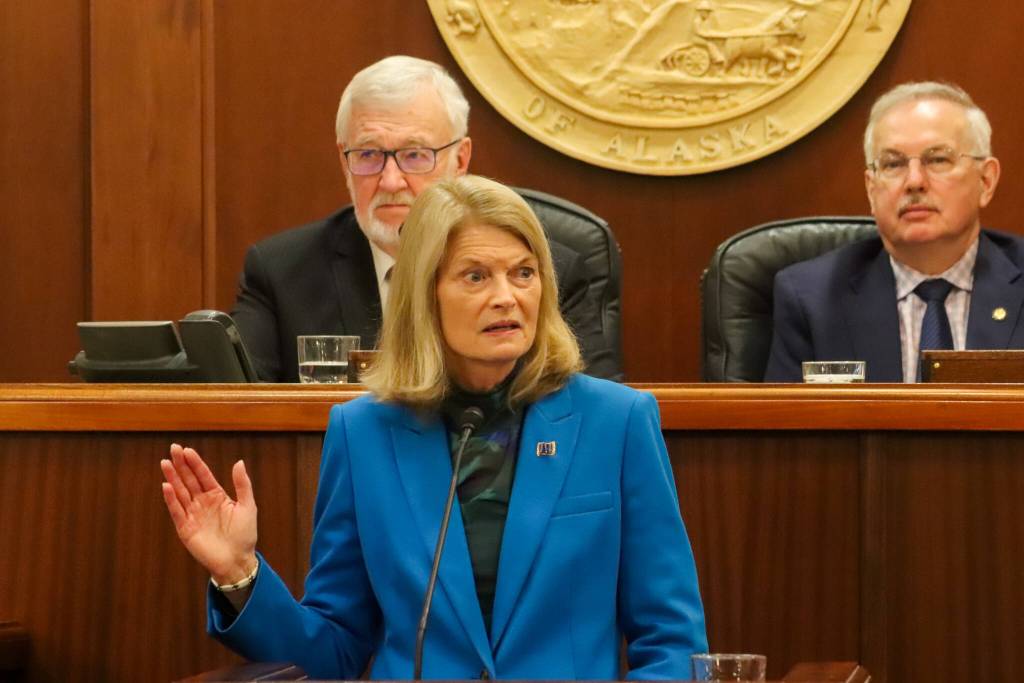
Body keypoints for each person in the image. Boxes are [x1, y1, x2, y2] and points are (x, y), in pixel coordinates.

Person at [161, 175, 706, 679]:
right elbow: (336, 650)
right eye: (476, 276)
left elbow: (672, 640)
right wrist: (239, 574)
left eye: (524, 272)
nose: (507, 296)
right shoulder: (364, 433)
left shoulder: (616, 421)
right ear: (425, 295)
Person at [231, 55, 622, 383]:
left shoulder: (550, 269)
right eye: (368, 155)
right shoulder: (282, 272)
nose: (390, 180)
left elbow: (591, 415)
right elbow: (246, 417)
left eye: (415, 155)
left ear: (461, 160)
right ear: (343, 161)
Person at [765, 81, 1024, 382]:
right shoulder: (812, 299)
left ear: (986, 181)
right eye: (893, 164)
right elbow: (789, 426)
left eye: (937, 159)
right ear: (871, 190)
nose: (914, 181)